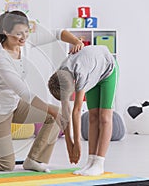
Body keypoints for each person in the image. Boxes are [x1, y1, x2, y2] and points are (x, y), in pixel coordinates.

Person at [0, 10, 84, 172]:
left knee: (54, 115)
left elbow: (58, 33)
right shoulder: (0, 57)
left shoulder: (24, 42)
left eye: (26, 32)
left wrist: (75, 41)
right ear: (6, 32)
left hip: (15, 105)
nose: (23, 37)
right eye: (18, 34)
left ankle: (34, 160)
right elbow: (24, 93)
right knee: (5, 164)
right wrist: (53, 110)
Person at [48, 45, 118, 176]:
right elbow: (66, 112)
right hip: (93, 73)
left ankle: (99, 163)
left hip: (108, 70)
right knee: (92, 117)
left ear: (74, 83)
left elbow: (76, 110)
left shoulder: (81, 74)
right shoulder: (60, 76)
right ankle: (91, 161)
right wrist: (69, 142)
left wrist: (77, 143)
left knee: (104, 117)